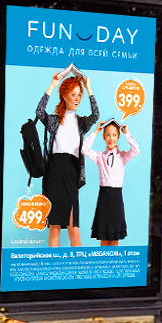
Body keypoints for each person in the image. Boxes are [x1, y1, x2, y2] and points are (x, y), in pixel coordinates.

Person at [34, 67, 99, 247]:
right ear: (64, 96)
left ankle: (77, 263)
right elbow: (39, 112)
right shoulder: (54, 121)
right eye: (73, 94)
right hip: (54, 173)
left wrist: (88, 87)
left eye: (79, 95)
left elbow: (96, 115)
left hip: (71, 172)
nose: (77, 98)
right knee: (54, 226)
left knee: (73, 227)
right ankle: (53, 263)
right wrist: (53, 85)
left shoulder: (81, 122)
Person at [82, 119, 140, 246]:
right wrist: (96, 131)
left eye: (114, 135)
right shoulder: (100, 157)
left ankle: (114, 259)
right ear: (104, 137)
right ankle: (103, 259)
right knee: (103, 238)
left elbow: (136, 150)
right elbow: (84, 149)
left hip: (116, 198)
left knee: (114, 239)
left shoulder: (123, 157)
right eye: (108, 135)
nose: (111, 138)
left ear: (118, 137)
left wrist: (127, 133)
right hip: (104, 198)